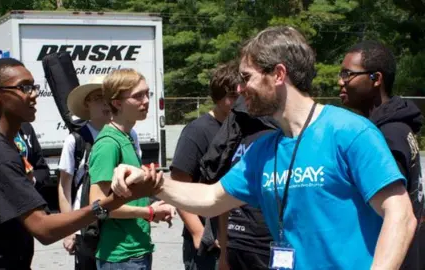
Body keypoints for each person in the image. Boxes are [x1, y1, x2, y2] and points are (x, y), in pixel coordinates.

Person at [111, 26, 417, 270]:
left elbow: (400, 214)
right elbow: (212, 197)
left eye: (247, 78)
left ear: (279, 74)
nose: (240, 89)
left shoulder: (348, 131)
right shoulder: (263, 149)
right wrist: (154, 182)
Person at [0, 58, 160, 270]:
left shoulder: (8, 144)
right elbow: (44, 229)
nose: (34, 94)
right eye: (24, 87)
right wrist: (114, 202)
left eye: (34, 87)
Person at [338, 40, 424, 269]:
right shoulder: (393, 128)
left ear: (376, 79)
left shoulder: (389, 136)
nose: (340, 81)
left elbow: (393, 214)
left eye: (348, 74)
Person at [88, 68, 175, 270]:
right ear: (117, 103)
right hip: (120, 256)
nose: (146, 101)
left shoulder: (127, 137)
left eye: (147, 93)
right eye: (138, 96)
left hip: (135, 251)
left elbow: (127, 194)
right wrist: (150, 212)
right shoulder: (108, 143)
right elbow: (97, 206)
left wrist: (154, 203)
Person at [58, 75, 144, 269]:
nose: (104, 104)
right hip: (88, 229)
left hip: (123, 226)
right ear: (87, 104)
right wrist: (69, 230)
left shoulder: (130, 135)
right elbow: (65, 187)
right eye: (97, 98)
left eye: (106, 97)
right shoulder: (76, 140)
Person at [170, 61, 239, 270]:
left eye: (241, 95)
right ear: (217, 97)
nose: (238, 102)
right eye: (232, 97)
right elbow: (178, 186)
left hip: (235, 240)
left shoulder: (241, 126)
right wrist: (199, 233)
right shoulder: (196, 132)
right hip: (207, 247)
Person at [200, 94, 277, 270]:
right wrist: (225, 252)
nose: (240, 89)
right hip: (238, 243)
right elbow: (224, 194)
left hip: (269, 246)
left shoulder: (277, 135)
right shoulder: (235, 132)